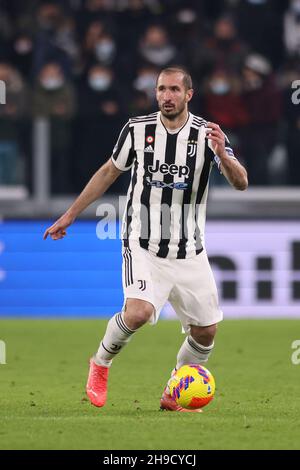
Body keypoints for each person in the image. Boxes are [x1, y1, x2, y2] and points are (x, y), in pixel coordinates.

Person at [44, 66, 248, 412]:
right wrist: (71, 213)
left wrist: (224, 155)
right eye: (161, 89)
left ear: (188, 95)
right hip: (143, 242)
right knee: (138, 313)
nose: (166, 96)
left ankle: (173, 391)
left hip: (189, 250)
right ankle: (101, 364)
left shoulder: (207, 134)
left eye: (173, 90)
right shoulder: (137, 130)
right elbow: (109, 171)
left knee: (207, 331)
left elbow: (241, 182)